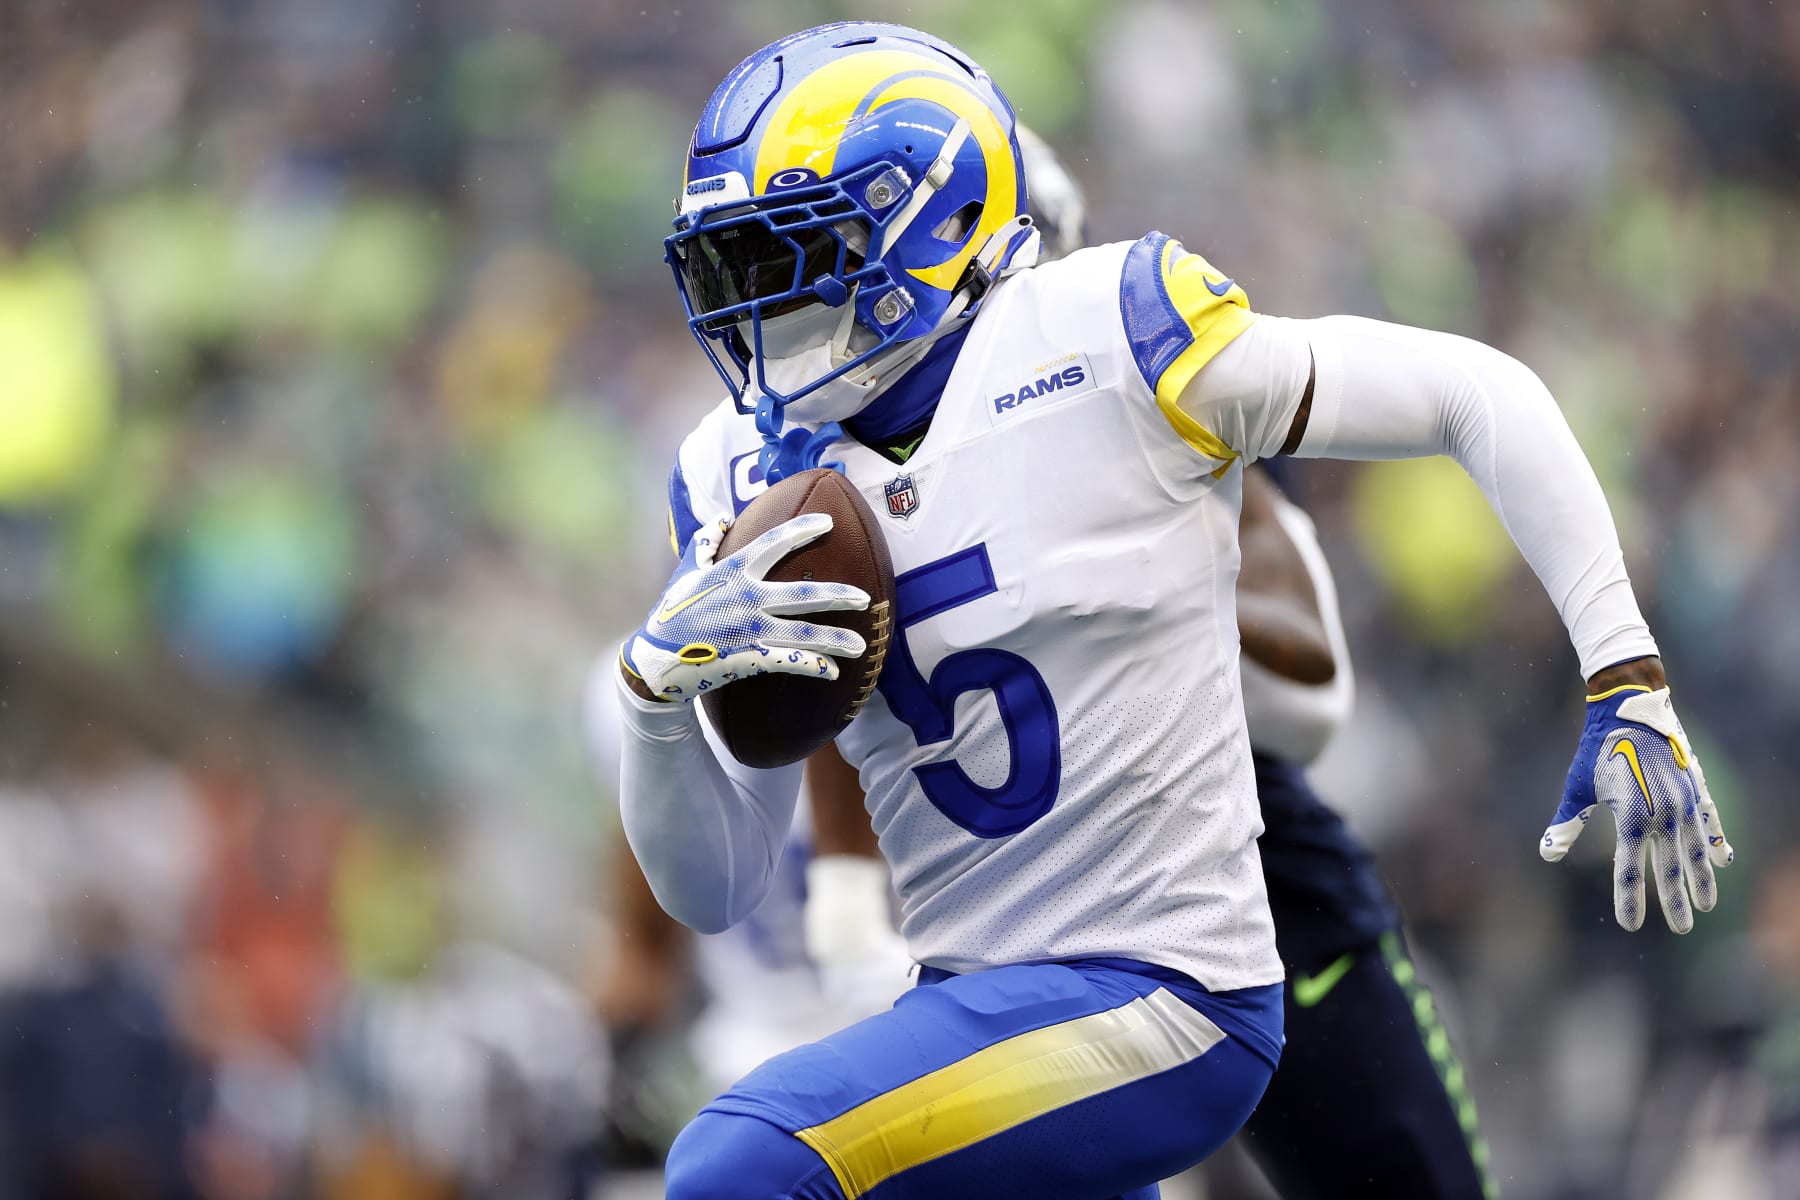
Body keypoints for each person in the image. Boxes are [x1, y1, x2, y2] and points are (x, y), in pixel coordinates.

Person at [610, 22, 1735, 1200]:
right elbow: (716, 890)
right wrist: (653, 702)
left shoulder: (1117, 339)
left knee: (740, 1164)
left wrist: (1625, 673)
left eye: (798, 255)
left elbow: (1471, 391)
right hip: (979, 1004)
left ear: (931, 221)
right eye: (736, 268)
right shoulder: (737, 475)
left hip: (1168, 987)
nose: (761, 309)